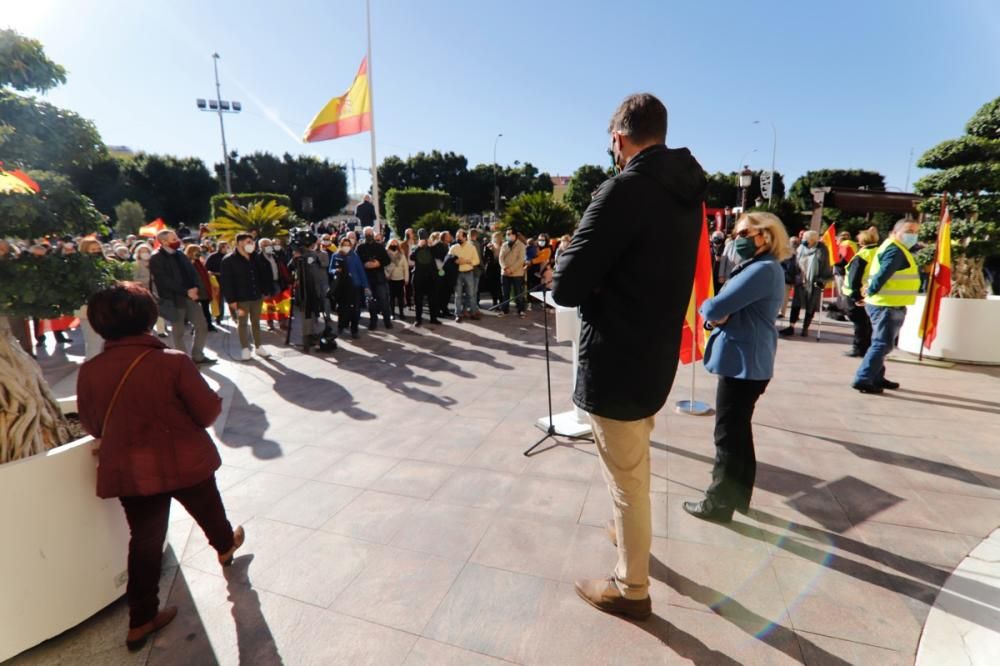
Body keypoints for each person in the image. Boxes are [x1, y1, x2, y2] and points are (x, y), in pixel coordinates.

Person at [552, 93, 706, 620]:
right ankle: (627, 537)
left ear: (619, 137)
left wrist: (572, 253)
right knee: (633, 462)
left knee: (627, 480)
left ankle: (631, 587)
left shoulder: (623, 189)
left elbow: (567, 285)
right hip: (654, 352)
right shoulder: (686, 191)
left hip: (616, 359)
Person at [76, 282, 243, 651]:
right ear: (149, 317)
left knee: (145, 542)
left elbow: (91, 425)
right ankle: (225, 547)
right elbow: (207, 412)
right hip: (185, 459)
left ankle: (140, 619)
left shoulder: (91, 371)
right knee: (209, 509)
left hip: (132, 470)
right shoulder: (172, 361)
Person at [682, 212, 791, 523]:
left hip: (743, 364)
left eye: (746, 233)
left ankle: (718, 504)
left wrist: (711, 311)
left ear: (766, 236)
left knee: (728, 436)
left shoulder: (761, 269)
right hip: (749, 362)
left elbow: (715, 306)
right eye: (737, 232)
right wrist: (715, 314)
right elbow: (720, 310)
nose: (738, 238)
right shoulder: (763, 267)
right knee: (739, 433)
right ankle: (737, 496)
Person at [852, 219, 921, 394]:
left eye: (915, 231)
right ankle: (864, 378)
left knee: (881, 342)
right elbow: (883, 274)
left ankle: (876, 376)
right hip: (887, 305)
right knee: (882, 344)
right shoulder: (895, 251)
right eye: (908, 231)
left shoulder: (893, 247)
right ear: (895, 232)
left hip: (886, 304)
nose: (912, 235)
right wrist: (870, 293)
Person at [149, 229, 216, 365]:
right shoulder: (156, 258)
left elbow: (193, 273)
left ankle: (198, 355)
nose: (177, 241)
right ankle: (185, 362)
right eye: (174, 239)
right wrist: (186, 291)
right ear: (163, 241)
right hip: (173, 300)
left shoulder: (180, 254)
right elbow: (164, 281)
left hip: (190, 297)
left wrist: (196, 288)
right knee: (178, 332)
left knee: (201, 325)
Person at [219, 233, 272, 361]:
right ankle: (245, 349)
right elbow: (226, 282)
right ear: (239, 243)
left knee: (256, 322)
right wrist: (231, 300)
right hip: (240, 299)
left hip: (256, 297)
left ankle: (259, 347)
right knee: (242, 323)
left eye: (252, 242)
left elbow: (263, 274)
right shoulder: (228, 260)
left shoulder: (256, 257)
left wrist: (265, 291)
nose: (251, 244)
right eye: (248, 241)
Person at [779, 230, 832, 337]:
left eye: (805, 239)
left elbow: (826, 266)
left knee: (810, 305)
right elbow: (795, 263)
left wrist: (822, 280)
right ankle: (791, 326)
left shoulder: (822, 249)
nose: (803, 240)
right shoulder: (801, 248)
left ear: (812, 240)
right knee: (796, 304)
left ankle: (805, 328)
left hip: (814, 282)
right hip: (801, 280)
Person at [289, 229, 332, 352]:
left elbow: (316, 270)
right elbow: (290, 268)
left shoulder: (312, 255)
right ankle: (307, 339)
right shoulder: (300, 256)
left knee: (312, 315)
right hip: (304, 291)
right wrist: (295, 258)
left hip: (313, 289)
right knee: (307, 315)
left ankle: (311, 336)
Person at [841, 227, 880, 357]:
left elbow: (854, 277)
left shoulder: (862, 255)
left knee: (859, 323)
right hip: (871, 292)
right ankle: (867, 347)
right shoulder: (879, 252)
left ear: (862, 242)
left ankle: (858, 348)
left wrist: (854, 295)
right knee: (867, 322)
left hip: (858, 293)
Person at [330, 235, 369, 339]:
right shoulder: (336, 255)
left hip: (354, 285)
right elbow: (330, 269)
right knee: (342, 308)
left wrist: (366, 286)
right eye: (344, 245)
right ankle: (341, 326)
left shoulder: (355, 256)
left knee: (355, 309)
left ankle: (354, 330)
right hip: (342, 286)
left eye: (348, 245)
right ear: (341, 245)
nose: (346, 247)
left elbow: (361, 271)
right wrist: (335, 271)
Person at [356, 227, 393, 330]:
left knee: (383, 300)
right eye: (367, 234)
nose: (369, 236)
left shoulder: (380, 247)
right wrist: (365, 264)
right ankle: (373, 321)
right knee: (370, 302)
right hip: (367, 279)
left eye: (370, 234)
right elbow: (357, 262)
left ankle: (387, 321)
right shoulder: (360, 248)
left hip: (379, 278)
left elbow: (387, 260)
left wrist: (378, 263)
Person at [409, 229, 441, 326]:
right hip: (419, 277)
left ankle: (433, 318)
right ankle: (418, 320)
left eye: (425, 237)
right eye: (422, 237)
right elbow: (412, 257)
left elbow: (439, 255)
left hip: (431, 277)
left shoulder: (432, 248)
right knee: (418, 300)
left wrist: (432, 245)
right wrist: (419, 246)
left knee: (433, 299)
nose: (424, 240)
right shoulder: (416, 247)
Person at [449, 229, 481, 321]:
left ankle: (473, 313)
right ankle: (458, 314)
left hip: (469, 272)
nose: (457, 238)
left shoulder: (471, 247)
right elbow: (448, 259)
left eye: (459, 236)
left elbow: (477, 261)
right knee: (458, 295)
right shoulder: (453, 247)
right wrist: (455, 261)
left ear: (464, 237)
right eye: (456, 236)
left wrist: (466, 261)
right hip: (457, 273)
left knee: (471, 294)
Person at [499, 228, 527, 317]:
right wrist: (504, 268)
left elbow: (521, 260)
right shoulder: (504, 245)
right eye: (507, 234)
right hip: (505, 273)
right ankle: (504, 310)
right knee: (505, 293)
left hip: (517, 273)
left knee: (518, 292)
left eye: (510, 234)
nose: (508, 235)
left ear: (515, 235)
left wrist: (511, 269)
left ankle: (521, 310)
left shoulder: (521, 245)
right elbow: (501, 258)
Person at [204, 241, 230, 326]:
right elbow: (206, 269)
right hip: (217, 282)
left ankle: (235, 316)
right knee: (219, 301)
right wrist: (214, 273)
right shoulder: (212, 257)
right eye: (226, 247)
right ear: (221, 247)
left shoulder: (230, 257)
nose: (227, 249)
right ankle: (219, 317)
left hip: (228, 281)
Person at [385, 238, 409, 321]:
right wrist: (386, 275)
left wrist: (406, 279)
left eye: (395, 243)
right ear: (389, 244)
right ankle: (392, 314)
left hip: (400, 279)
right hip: (390, 279)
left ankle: (402, 313)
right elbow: (384, 267)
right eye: (392, 243)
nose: (394, 244)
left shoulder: (401, 255)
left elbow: (405, 267)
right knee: (391, 298)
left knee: (400, 298)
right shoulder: (386, 254)